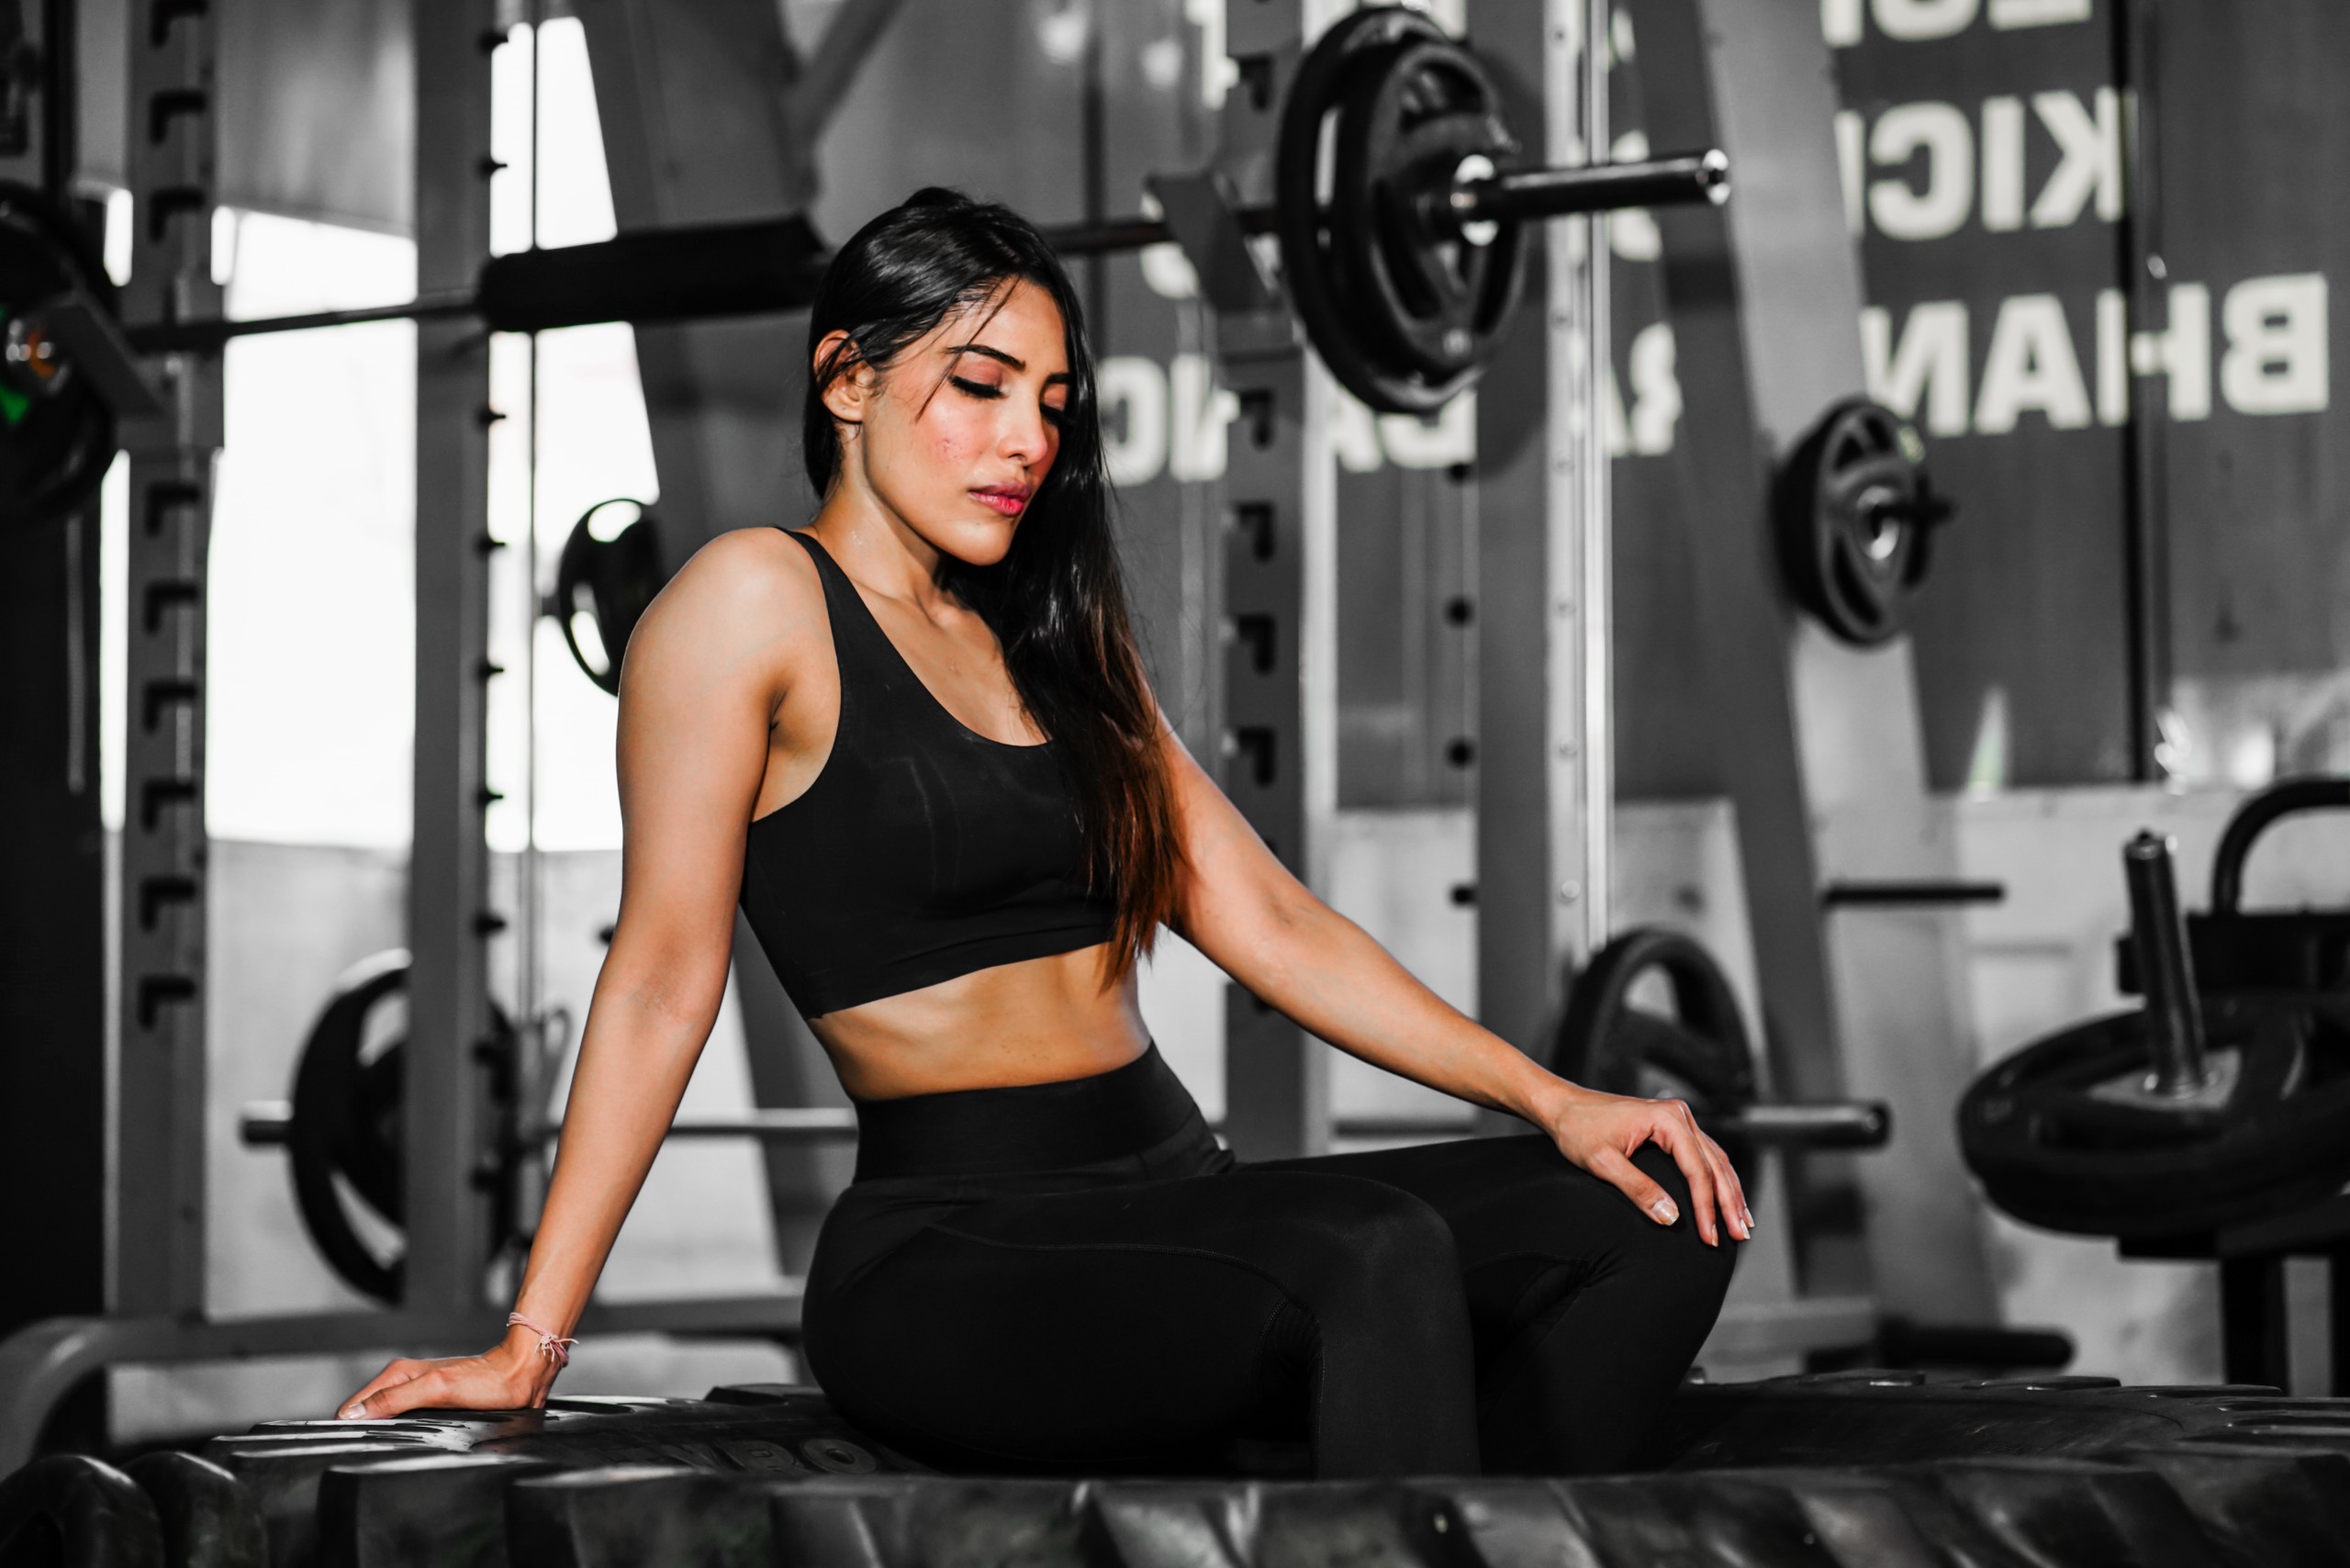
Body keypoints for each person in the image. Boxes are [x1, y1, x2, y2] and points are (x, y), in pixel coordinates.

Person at [337, 188, 1746, 1477]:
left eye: (1055, 403)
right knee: (1365, 1255)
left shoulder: (1056, 634)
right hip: (954, 1250)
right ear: (847, 379)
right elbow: (657, 984)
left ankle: (1442, 1516)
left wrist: (1558, 1103)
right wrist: (533, 1339)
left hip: (1177, 1198)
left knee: (1658, 1207)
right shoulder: (751, 600)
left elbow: (1272, 922)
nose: (1029, 439)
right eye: (981, 386)